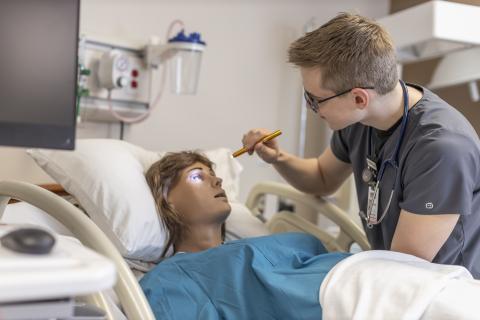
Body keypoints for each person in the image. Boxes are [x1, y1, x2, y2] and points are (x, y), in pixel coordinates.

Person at [241, 12, 480, 278]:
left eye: (314, 100)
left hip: (445, 294)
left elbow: (404, 264)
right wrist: (278, 158)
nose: (312, 109)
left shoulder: (442, 148)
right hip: (394, 275)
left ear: (358, 99)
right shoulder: (359, 121)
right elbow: (321, 178)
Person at [142, 151, 350, 319]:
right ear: (166, 198)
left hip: (355, 280)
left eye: (213, 174)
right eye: (197, 176)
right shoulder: (167, 280)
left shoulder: (261, 245)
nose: (217, 181)